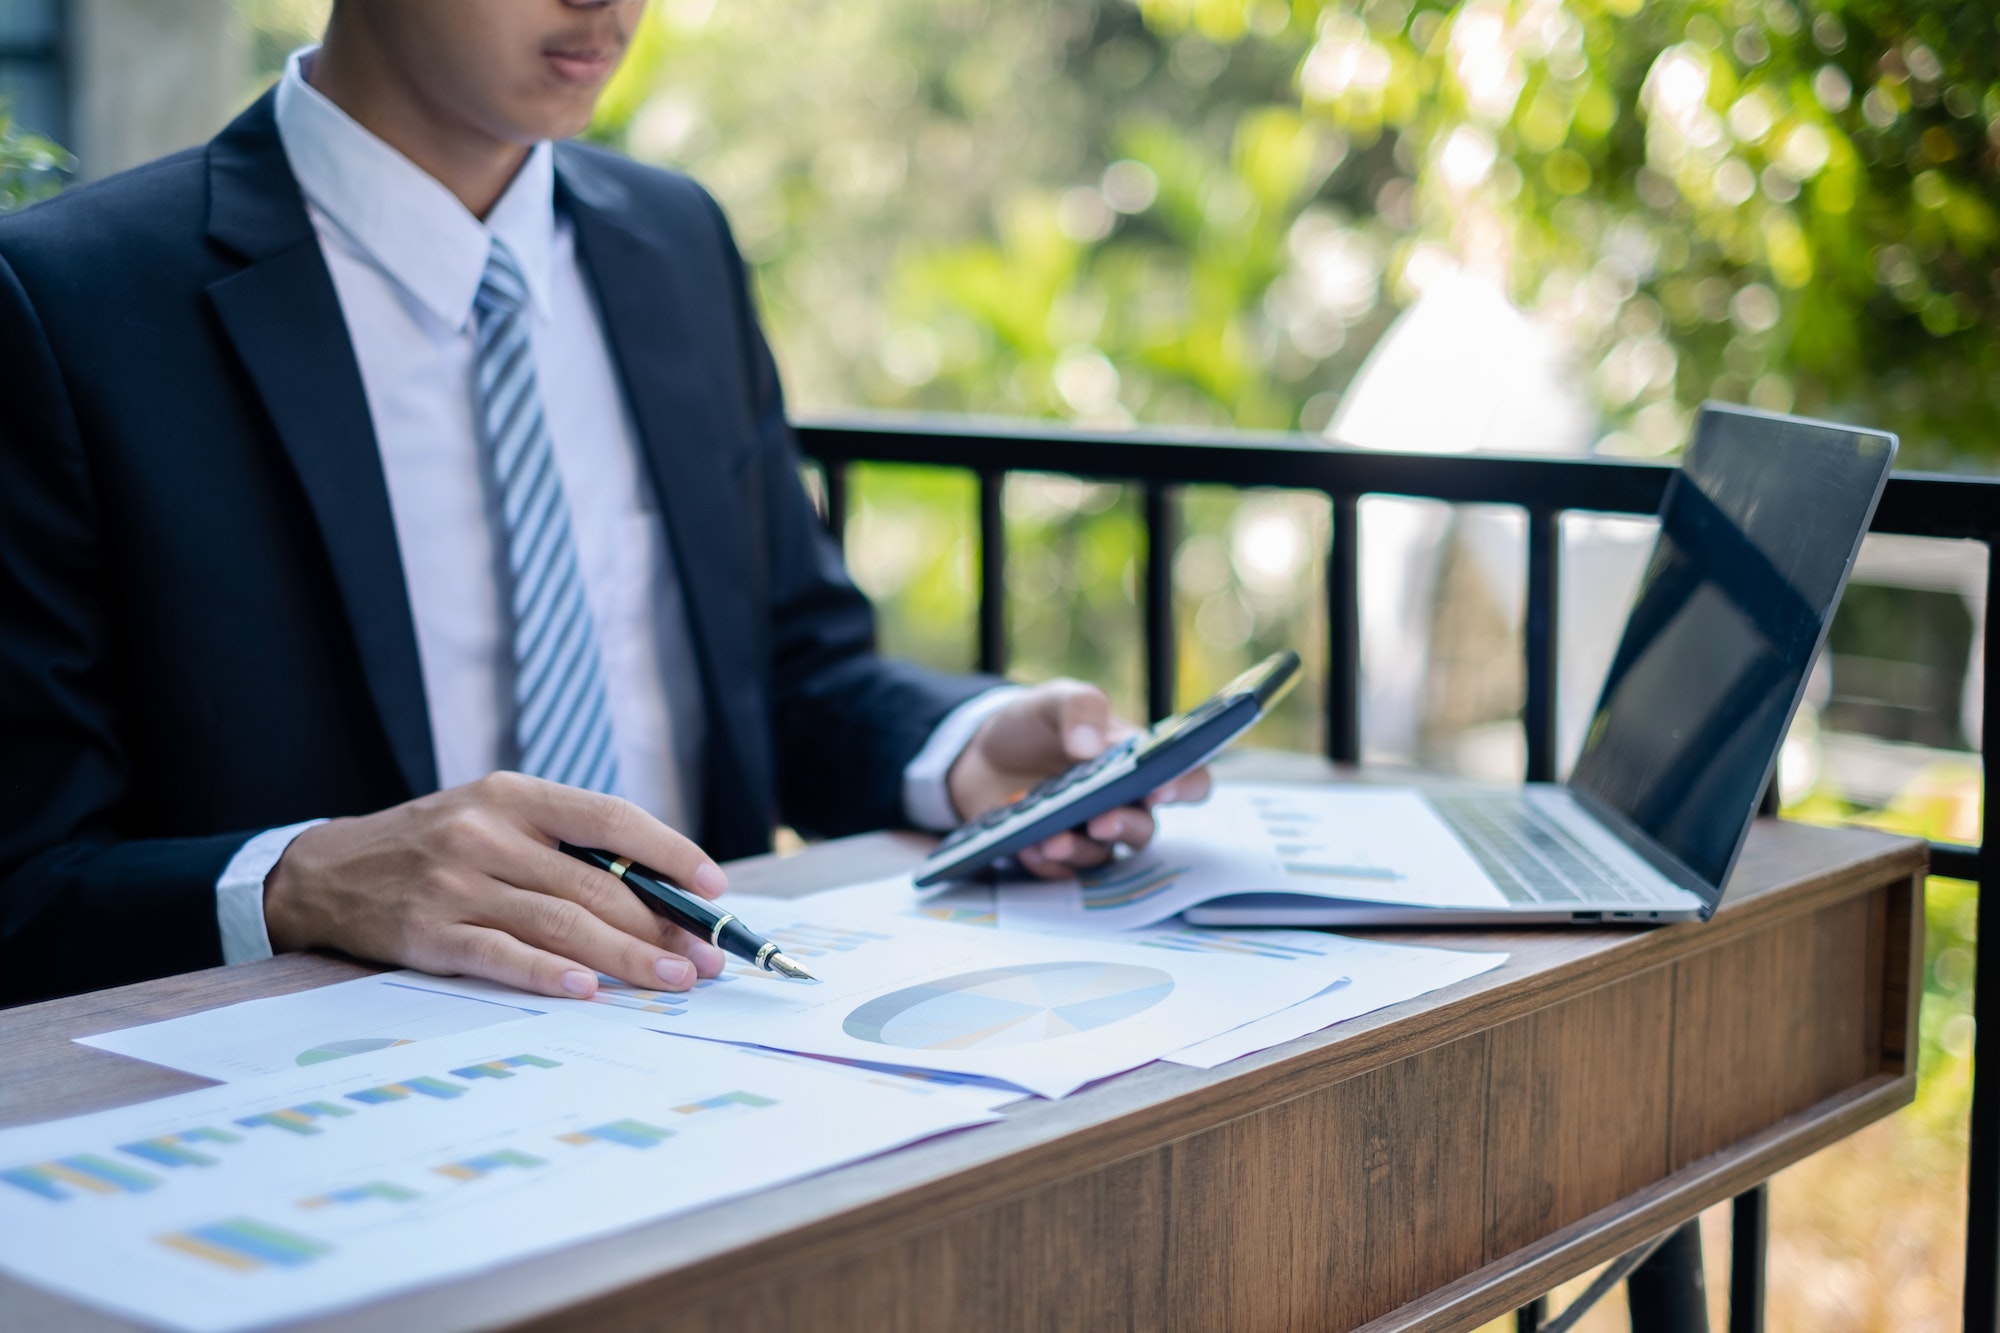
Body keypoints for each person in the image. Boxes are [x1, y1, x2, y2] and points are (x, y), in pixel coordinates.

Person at [0, 0, 1205, 1006]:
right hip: (322, 1104)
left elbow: (791, 672)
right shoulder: (72, 304)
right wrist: (300, 880)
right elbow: (25, 879)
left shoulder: (672, 241)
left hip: (729, 1036)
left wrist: (962, 752)